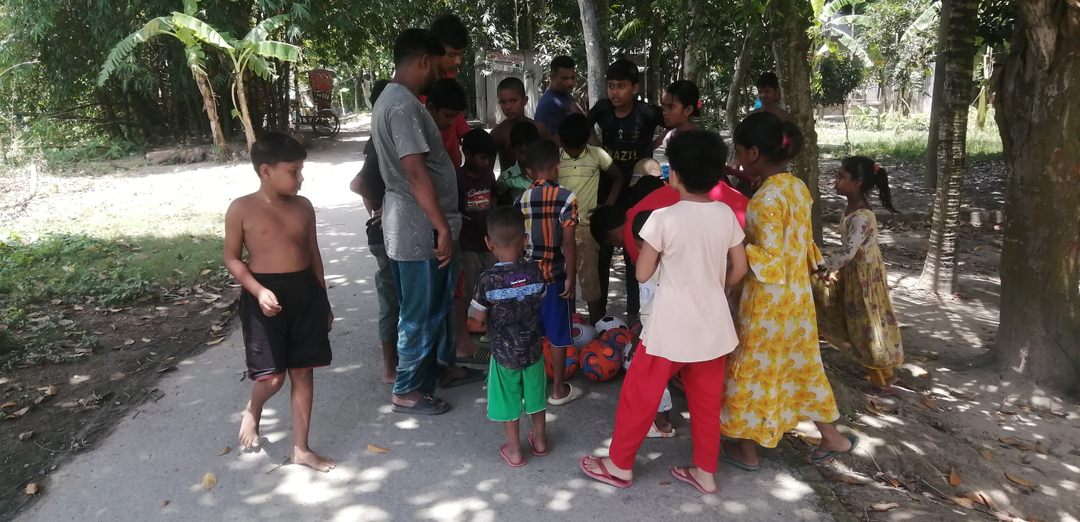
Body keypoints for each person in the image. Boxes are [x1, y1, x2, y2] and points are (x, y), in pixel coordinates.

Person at [580, 130, 749, 494]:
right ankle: (706, 472)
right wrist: (716, 288)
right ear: (717, 174)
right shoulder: (725, 215)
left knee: (639, 395)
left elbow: (642, 273)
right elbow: (739, 267)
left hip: (669, 330)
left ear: (674, 175)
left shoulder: (663, 218)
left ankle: (620, 465)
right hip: (714, 328)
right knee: (706, 404)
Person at [721, 112, 858, 469]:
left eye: (739, 152)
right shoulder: (798, 188)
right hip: (797, 297)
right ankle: (833, 437)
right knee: (802, 365)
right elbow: (801, 244)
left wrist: (734, 245)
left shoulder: (765, 200)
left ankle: (746, 450)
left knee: (750, 368)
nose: (737, 159)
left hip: (766, 301)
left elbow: (767, 258)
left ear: (752, 153)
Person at [224, 132, 335, 472]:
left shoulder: (304, 207)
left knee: (303, 371)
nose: (300, 178)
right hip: (264, 296)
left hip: (305, 293)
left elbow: (313, 254)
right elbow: (232, 258)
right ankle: (254, 408)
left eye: (301, 170)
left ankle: (301, 449)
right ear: (266, 171)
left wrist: (323, 301)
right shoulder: (241, 209)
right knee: (273, 378)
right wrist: (257, 290)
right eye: (293, 171)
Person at [373, 29, 463, 415]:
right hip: (417, 225)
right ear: (423, 61)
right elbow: (415, 171)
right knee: (419, 311)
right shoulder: (403, 106)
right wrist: (441, 227)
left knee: (427, 305)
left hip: (410, 221)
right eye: (438, 66)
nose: (440, 74)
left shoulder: (393, 100)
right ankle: (406, 390)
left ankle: (432, 373)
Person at [469, 206, 550, 467]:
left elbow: (477, 319)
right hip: (533, 350)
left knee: (508, 400)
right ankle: (540, 441)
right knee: (536, 396)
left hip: (504, 354)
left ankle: (515, 451)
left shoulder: (487, 280)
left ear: (489, 243)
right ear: (525, 239)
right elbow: (541, 298)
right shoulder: (535, 272)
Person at [815, 157, 903, 392]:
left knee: (866, 325)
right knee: (861, 322)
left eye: (841, 177)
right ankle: (884, 374)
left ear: (858, 182)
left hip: (864, 277)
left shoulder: (862, 216)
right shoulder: (851, 209)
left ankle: (882, 377)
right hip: (855, 273)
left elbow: (848, 251)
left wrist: (825, 267)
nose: (836, 181)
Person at [588, 58, 664, 321]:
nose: (615, 92)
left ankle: (635, 314)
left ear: (634, 87)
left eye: (621, 86)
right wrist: (599, 151)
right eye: (611, 85)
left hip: (639, 190)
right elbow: (584, 127)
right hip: (608, 188)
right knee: (603, 249)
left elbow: (674, 120)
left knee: (637, 249)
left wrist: (654, 145)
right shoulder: (602, 109)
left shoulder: (648, 113)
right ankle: (599, 317)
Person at [514, 139, 583, 406]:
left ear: (529, 171)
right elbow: (569, 243)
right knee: (557, 335)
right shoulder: (567, 198)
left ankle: (529, 390)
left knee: (529, 334)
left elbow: (517, 242)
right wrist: (571, 277)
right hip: (554, 278)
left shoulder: (520, 200)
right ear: (557, 166)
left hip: (526, 280)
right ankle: (557, 390)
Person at [350, 79, 397, 384]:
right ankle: (390, 367)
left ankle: (396, 361)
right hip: (387, 235)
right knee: (392, 300)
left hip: (392, 231)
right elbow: (358, 184)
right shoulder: (381, 142)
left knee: (398, 298)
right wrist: (379, 211)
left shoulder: (382, 137)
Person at [558, 113, 623, 323]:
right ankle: (568, 324)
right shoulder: (556, 158)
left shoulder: (597, 155)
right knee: (564, 277)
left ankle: (597, 326)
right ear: (562, 142)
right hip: (560, 228)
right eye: (570, 148)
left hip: (586, 228)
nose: (574, 152)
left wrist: (607, 206)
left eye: (578, 147)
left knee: (590, 279)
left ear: (586, 140)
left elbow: (618, 178)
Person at [455, 129, 499, 362]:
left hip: (488, 243)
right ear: (468, 154)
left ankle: (491, 326)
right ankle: (468, 330)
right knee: (470, 288)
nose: (487, 163)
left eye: (490, 158)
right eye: (482, 158)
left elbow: (494, 200)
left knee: (492, 285)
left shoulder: (488, 176)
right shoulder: (458, 178)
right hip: (467, 245)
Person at [427, 14, 472, 167]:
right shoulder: (420, 85)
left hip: (452, 163)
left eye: (460, 54)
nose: (458, 61)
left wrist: (469, 136)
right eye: (452, 55)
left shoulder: (449, 75)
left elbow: (454, 113)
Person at [490, 76, 548, 171]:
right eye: (503, 102)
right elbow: (488, 170)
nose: (508, 107)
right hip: (508, 180)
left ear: (525, 101)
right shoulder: (498, 133)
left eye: (513, 101)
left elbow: (550, 163)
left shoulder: (539, 129)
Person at [495, 121, 540, 205]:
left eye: (531, 151)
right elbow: (497, 197)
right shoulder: (507, 178)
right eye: (522, 153)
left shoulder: (547, 171)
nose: (528, 156)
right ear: (513, 150)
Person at [534, 56, 579, 138]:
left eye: (572, 78)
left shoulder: (568, 97)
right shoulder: (548, 104)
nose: (570, 82)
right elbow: (548, 139)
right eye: (565, 78)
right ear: (552, 78)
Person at [654, 80, 701, 154]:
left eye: (671, 107)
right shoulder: (668, 135)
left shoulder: (700, 142)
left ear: (688, 110)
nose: (664, 112)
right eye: (664, 107)